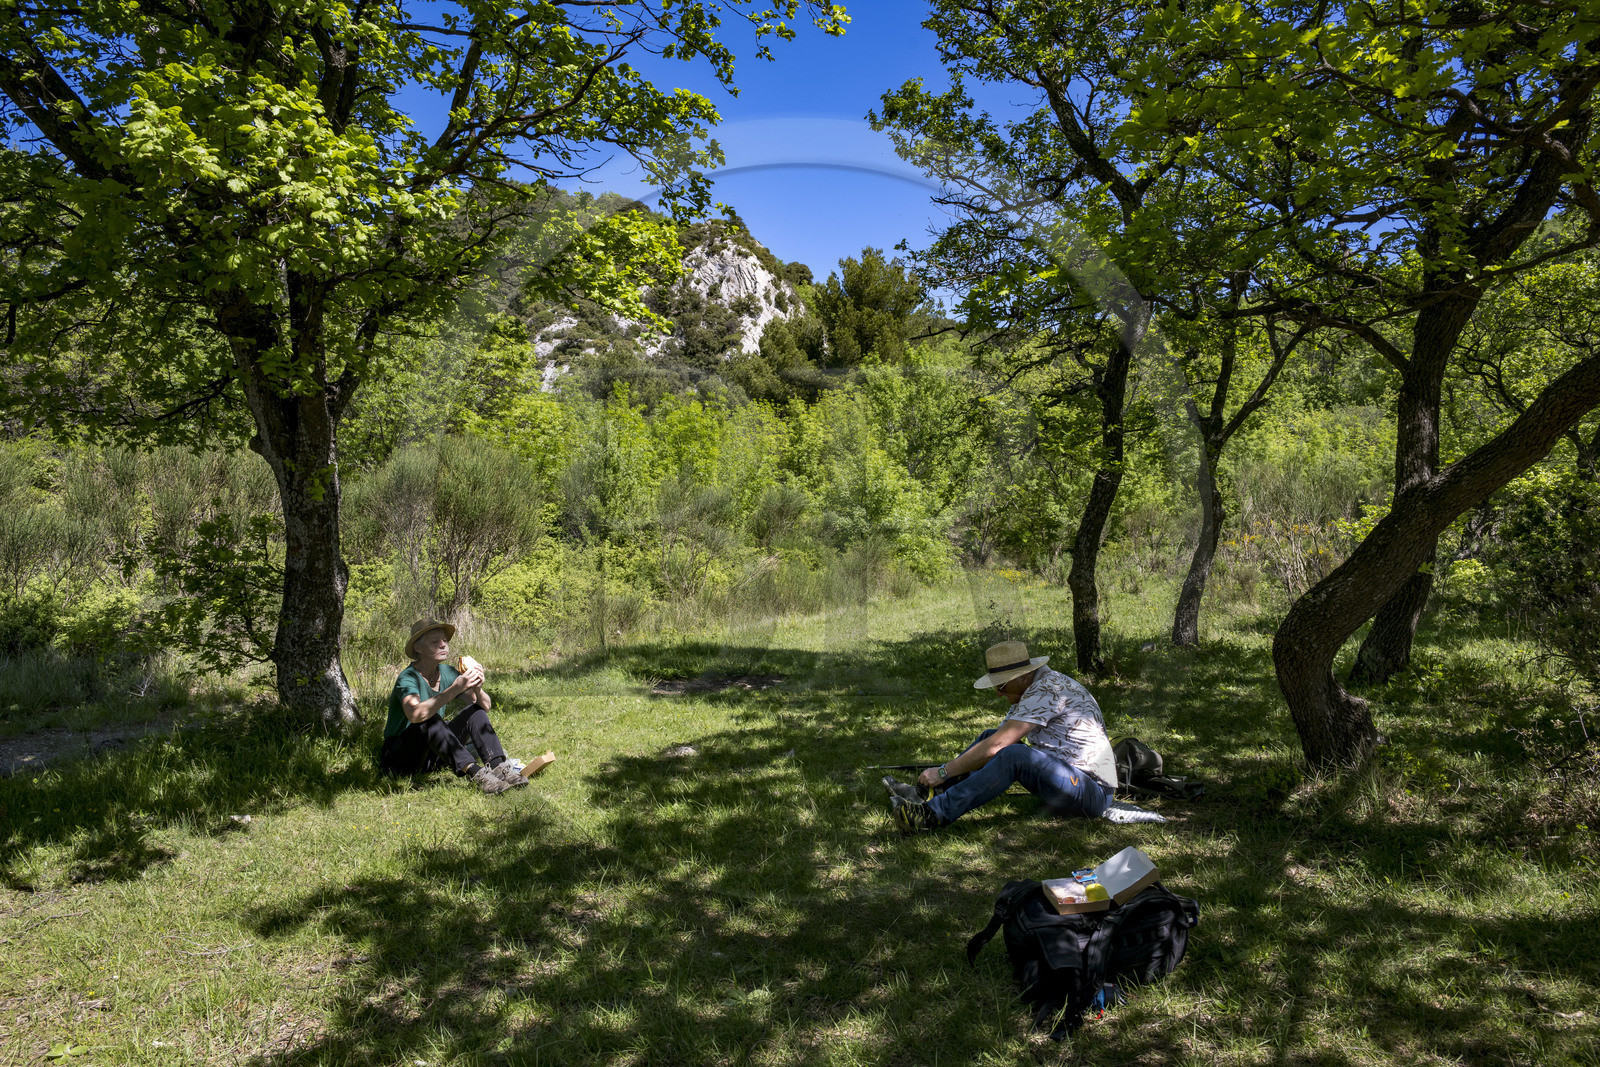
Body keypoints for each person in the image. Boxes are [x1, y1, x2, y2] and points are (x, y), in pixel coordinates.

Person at [884, 640, 1117, 833]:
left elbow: (998, 748)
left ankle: (931, 816)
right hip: (1069, 779)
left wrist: (944, 771)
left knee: (1013, 755)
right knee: (991, 736)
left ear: (1024, 676)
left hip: (1092, 792)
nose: (997, 694)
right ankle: (926, 794)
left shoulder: (1047, 690)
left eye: (1001, 686)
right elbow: (994, 742)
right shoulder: (1034, 688)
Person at [380, 618, 528, 795]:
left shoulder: (448, 672)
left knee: (474, 711)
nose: (443, 645)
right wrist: (455, 689)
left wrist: (477, 688)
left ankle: (499, 767)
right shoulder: (408, 678)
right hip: (400, 758)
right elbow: (414, 714)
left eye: (445, 641)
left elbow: (484, 707)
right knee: (429, 717)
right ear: (418, 648)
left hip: (432, 756)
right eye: (435, 642)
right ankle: (477, 775)